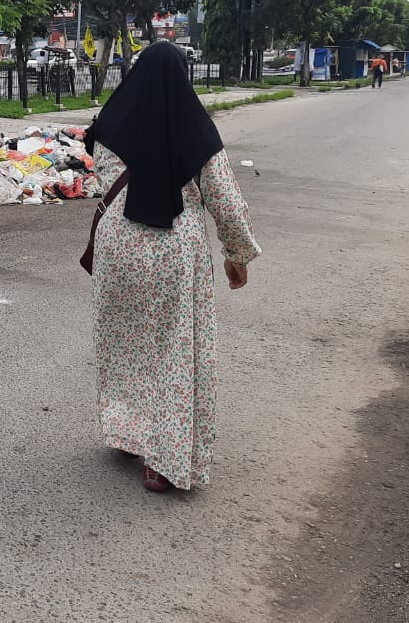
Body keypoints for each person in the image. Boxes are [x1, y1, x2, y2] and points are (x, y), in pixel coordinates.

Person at [85, 41, 260, 493]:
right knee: (171, 353)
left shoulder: (111, 120)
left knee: (123, 342)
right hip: (172, 251)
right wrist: (237, 254)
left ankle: (127, 431)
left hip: (118, 249)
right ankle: (163, 459)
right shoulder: (195, 130)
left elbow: (102, 177)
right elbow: (226, 203)